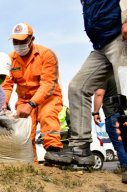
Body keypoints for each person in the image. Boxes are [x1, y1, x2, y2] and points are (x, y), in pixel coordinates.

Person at [47, 0, 127, 169]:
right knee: (78, 87)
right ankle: (81, 148)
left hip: (120, 37)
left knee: (124, 97)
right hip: (100, 47)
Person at [1, 23, 63, 163]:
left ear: (32, 39)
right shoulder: (10, 59)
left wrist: (31, 104)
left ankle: (54, 154)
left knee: (47, 116)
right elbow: (7, 84)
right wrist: (4, 102)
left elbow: (48, 83)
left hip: (48, 97)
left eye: (22, 41)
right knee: (25, 131)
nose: (18, 44)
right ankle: (31, 163)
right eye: (15, 41)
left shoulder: (46, 54)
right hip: (24, 99)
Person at [93, 75, 127, 183]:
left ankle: (126, 171)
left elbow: (99, 94)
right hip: (125, 113)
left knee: (120, 145)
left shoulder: (105, 75)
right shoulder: (122, 73)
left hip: (114, 115)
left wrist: (95, 112)